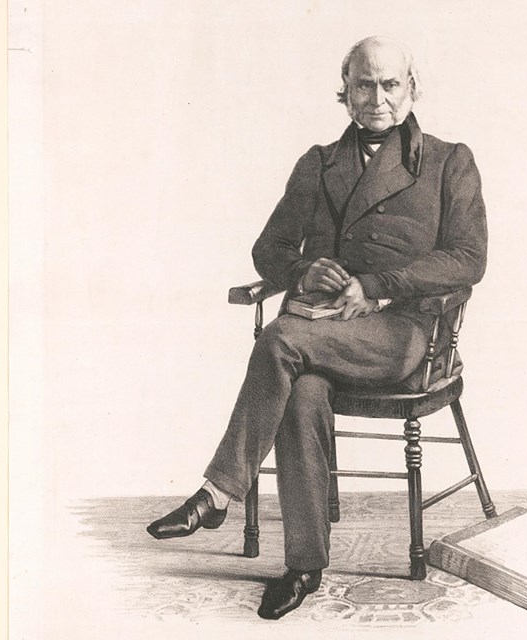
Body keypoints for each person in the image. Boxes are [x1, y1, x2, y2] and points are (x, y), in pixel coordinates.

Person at [147, 35, 487, 620]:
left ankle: (218, 493)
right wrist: (304, 270)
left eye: (390, 84)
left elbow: (467, 258)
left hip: (401, 334)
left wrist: (378, 286)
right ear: (345, 92)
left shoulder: (449, 160)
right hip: (323, 329)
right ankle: (304, 566)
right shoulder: (319, 163)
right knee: (301, 393)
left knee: (278, 340)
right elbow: (269, 249)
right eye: (364, 84)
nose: (377, 98)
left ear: (412, 89)